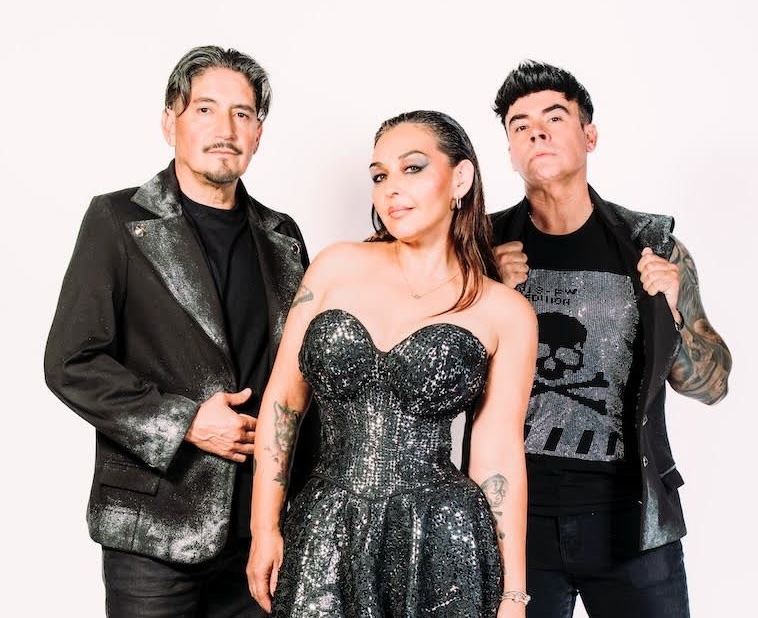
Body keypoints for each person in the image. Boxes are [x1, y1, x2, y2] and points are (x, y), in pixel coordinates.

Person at [44, 45, 318, 617]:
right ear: (170, 121)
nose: (226, 130)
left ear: (259, 132)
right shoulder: (118, 220)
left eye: (242, 113)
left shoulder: (283, 236)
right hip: (154, 529)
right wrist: (186, 422)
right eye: (205, 109)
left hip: (261, 533)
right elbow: (72, 362)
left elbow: (303, 371)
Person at [245, 110, 538, 617]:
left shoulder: (504, 311)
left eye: (413, 168)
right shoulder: (335, 267)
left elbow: (498, 455)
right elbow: (284, 401)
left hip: (443, 541)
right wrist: (264, 527)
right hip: (325, 530)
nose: (391, 189)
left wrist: (513, 594)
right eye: (379, 176)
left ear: (461, 179)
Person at [488, 60, 733, 618]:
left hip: (632, 525)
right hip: (514, 527)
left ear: (590, 136)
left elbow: (712, 385)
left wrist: (673, 307)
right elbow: (445, 384)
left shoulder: (653, 246)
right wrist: (488, 295)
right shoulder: (482, 246)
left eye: (554, 117)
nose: (537, 132)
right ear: (510, 151)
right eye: (520, 125)